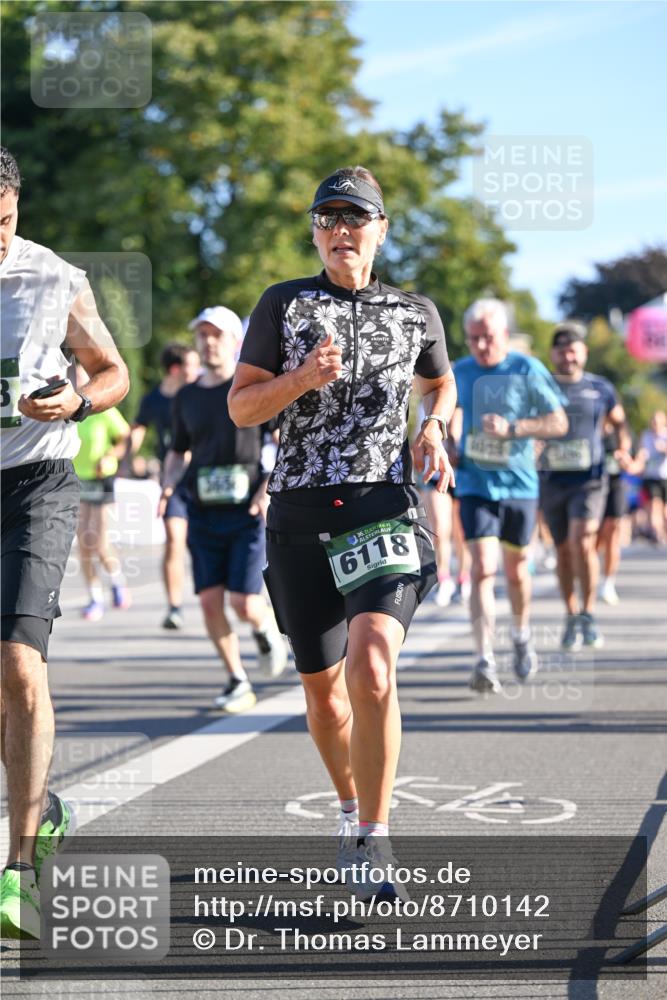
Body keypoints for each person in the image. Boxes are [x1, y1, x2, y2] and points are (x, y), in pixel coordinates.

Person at [228, 165, 456, 902]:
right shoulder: (282, 304)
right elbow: (240, 408)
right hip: (297, 512)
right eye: (327, 219)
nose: (339, 231)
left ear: (380, 229)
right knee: (325, 699)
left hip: (381, 507)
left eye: (354, 219)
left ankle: (376, 836)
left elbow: (438, 381)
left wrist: (435, 427)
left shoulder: (414, 310)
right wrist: (298, 380)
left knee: (374, 669)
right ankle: (349, 807)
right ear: (315, 232)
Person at [0, 147, 128, 938]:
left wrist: (78, 404)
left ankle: (18, 867)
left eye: (3, 223)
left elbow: (112, 370)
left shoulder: (53, 278)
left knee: (18, 662)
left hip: (34, 486)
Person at [160, 306, 287, 714]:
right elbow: (178, 451)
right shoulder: (188, 396)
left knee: (244, 603)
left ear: (236, 342)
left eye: (217, 335)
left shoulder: (252, 387)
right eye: (203, 335)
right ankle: (237, 679)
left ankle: (265, 626)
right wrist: (167, 485)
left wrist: (266, 490)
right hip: (202, 512)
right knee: (211, 602)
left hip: (246, 512)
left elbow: (285, 442)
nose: (209, 342)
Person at [452, 298, 568, 694]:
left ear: (504, 336)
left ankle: (520, 633)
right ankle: (483, 658)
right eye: (474, 339)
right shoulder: (459, 372)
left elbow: (558, 421)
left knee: (517, 571)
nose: (481, 346)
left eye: (488, 338)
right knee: (483, 567)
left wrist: (514, 429)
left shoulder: (526, 368)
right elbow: (447, 412)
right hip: (474, 485)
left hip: (520, 485)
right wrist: (449, 440)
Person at [540, 322, 626, 650]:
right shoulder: (542, 387)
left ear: (584, 353)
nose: (568, 355)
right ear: (553, 354)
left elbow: (620, 423)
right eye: (561, 350)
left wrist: (622, 447)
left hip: (590, 479)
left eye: (573, 349)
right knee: (563, 550)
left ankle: (588, 612)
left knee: (583, 540)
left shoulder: (601, 388)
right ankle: (572, 614)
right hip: (552, 479)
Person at [129, 342, 200, 629]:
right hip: (172, 481)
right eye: (192, 366)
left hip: (204, 479)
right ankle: (174, 607)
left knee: (202, 543)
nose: (198, 371)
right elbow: (137, 429)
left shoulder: (200, 395)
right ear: (175, 369)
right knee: (174, 540)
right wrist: (127, 459)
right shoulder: (154, 400)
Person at [73, 390, 132, 620]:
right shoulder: (68, 412)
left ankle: (117, 581)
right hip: (77, 479)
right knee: (84, 544)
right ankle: (94, 598)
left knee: (98, 539)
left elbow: (126, 438)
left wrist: (111, 456)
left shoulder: (103, 411)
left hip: (101, 479)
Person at [596, 418, 633, 605]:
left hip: (615, 486)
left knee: (612, 531)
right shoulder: (590, 428)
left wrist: (625, 460)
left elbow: (632, 465)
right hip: (592, 487)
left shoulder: (621, 432)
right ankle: (590, 576)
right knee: (594, 538)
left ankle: (608, 583)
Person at [635, 410, 667, 544]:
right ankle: (656, 533)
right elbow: (641, 452)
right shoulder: (646, 436)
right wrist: (640, 457)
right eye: (653, 421)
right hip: (650, 476)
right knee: (654, 505)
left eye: (658, 421)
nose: (655, 424)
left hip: (664, 476)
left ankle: (662, 531)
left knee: (664, 510)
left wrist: (664, 449)